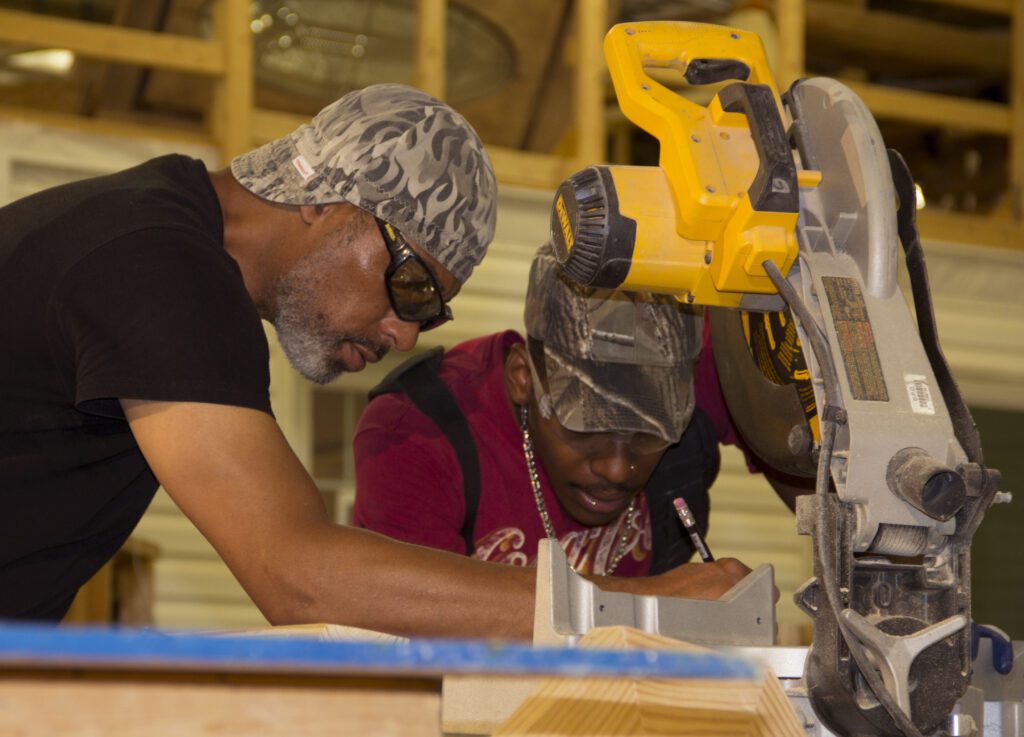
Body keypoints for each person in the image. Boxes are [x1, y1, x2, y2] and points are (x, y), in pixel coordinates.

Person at [0, 83, 748, 638]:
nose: (402, 335)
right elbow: (301, 578)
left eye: (430, 312)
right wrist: (641, 608)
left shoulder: (157, 231)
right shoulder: (162, 271)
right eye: (411, 283)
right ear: (324, 197)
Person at [353, 244, 753, 580]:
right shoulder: (413, 437)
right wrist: (661, 602)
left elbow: (808, 470)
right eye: (586, 427)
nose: (616, 469)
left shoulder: (701, 377)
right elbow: (420, 636)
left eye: (649, 433)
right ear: (523, 377)